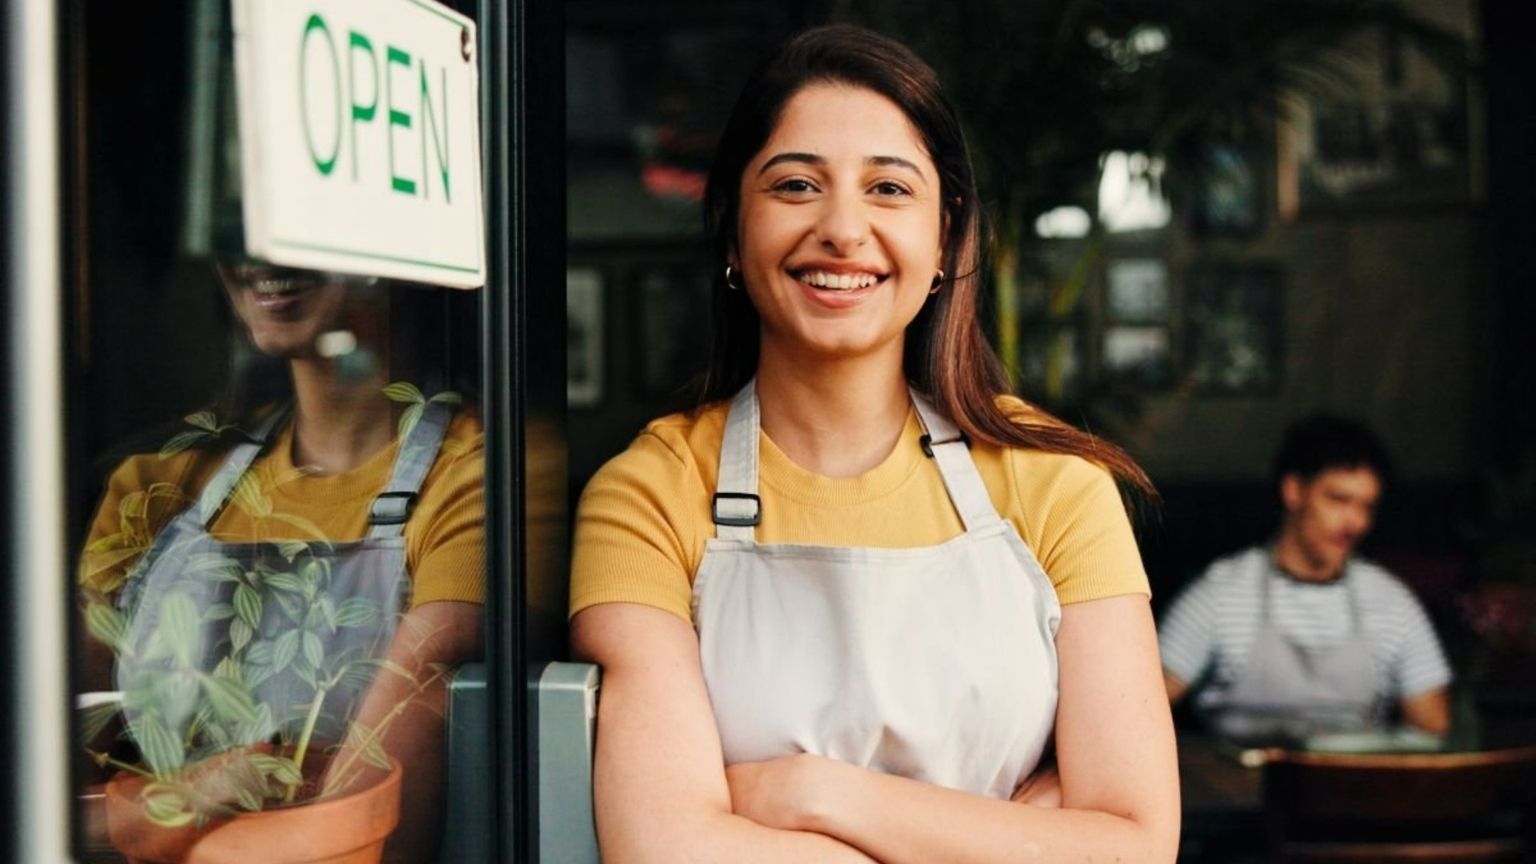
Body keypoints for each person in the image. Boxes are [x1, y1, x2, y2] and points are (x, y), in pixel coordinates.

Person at [570, 24, 1179, 863]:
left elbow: (1137, 845)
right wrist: (1017, 838)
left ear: (943, 237)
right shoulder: (648, 492)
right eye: (795, 186)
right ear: (734, 230)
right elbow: (667, 848)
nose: (843, 230)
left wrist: (811, 794)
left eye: (889, 189)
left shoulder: (1055, 482)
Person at [76, 262, 484, 863]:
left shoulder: (478, 478)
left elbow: (362, 829)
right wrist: (197, 793)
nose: (257, 255)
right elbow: (36, 795)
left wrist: (124, 816)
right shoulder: (158, 488)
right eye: (235, 222)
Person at [1158, 415, 1452, 744]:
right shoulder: (1220, 594)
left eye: (1366, 506)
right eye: (1338, 499)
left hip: (1355, 789)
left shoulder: (1392, 602)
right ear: (1294, 491)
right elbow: (1145, 706)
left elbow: (1432, 727)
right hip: (1243, 790)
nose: (1354, 522)